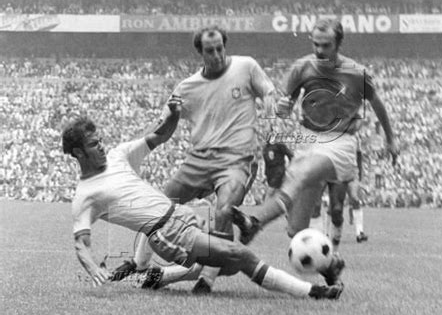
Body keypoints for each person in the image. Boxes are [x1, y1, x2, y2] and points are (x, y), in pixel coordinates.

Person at [63, 115, 344, 300]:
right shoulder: (85, 195)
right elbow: (81, 243)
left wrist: (172, 115)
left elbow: (158, 136)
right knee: (239, 253)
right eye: (92, 144)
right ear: (78, 153)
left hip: (183, 216)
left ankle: (158, 277)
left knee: (231, 267)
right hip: (166, 233)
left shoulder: (117, 155)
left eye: (99, 140)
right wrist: (91, 267)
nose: (100, 146)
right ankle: (314, 292)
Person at [113, 25, 278, 293]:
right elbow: (161, 127)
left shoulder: (246, 67)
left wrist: (272, 117)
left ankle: (206, 281)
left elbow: (269, 93)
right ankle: (140, 263)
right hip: (199, 161)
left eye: (220, 49)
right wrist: (133, 147)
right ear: (200, 53)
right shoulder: (187, 88)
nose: (217, 55)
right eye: (210, 51)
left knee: (223, 211)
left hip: (236, 160)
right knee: (159, 206)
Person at [232, 18, 398, 246]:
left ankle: (255, 221)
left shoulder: (356, 72)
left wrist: (390, 139)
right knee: (295, 229)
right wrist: (283, 108)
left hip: (340, 142)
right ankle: (331, 266)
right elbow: (286, 105)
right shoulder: (302, 67)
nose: (320, 50)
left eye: (326, 45)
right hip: (308, 139)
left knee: (302, 174)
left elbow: (378, 104)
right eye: (316, 44)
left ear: (338, 43)